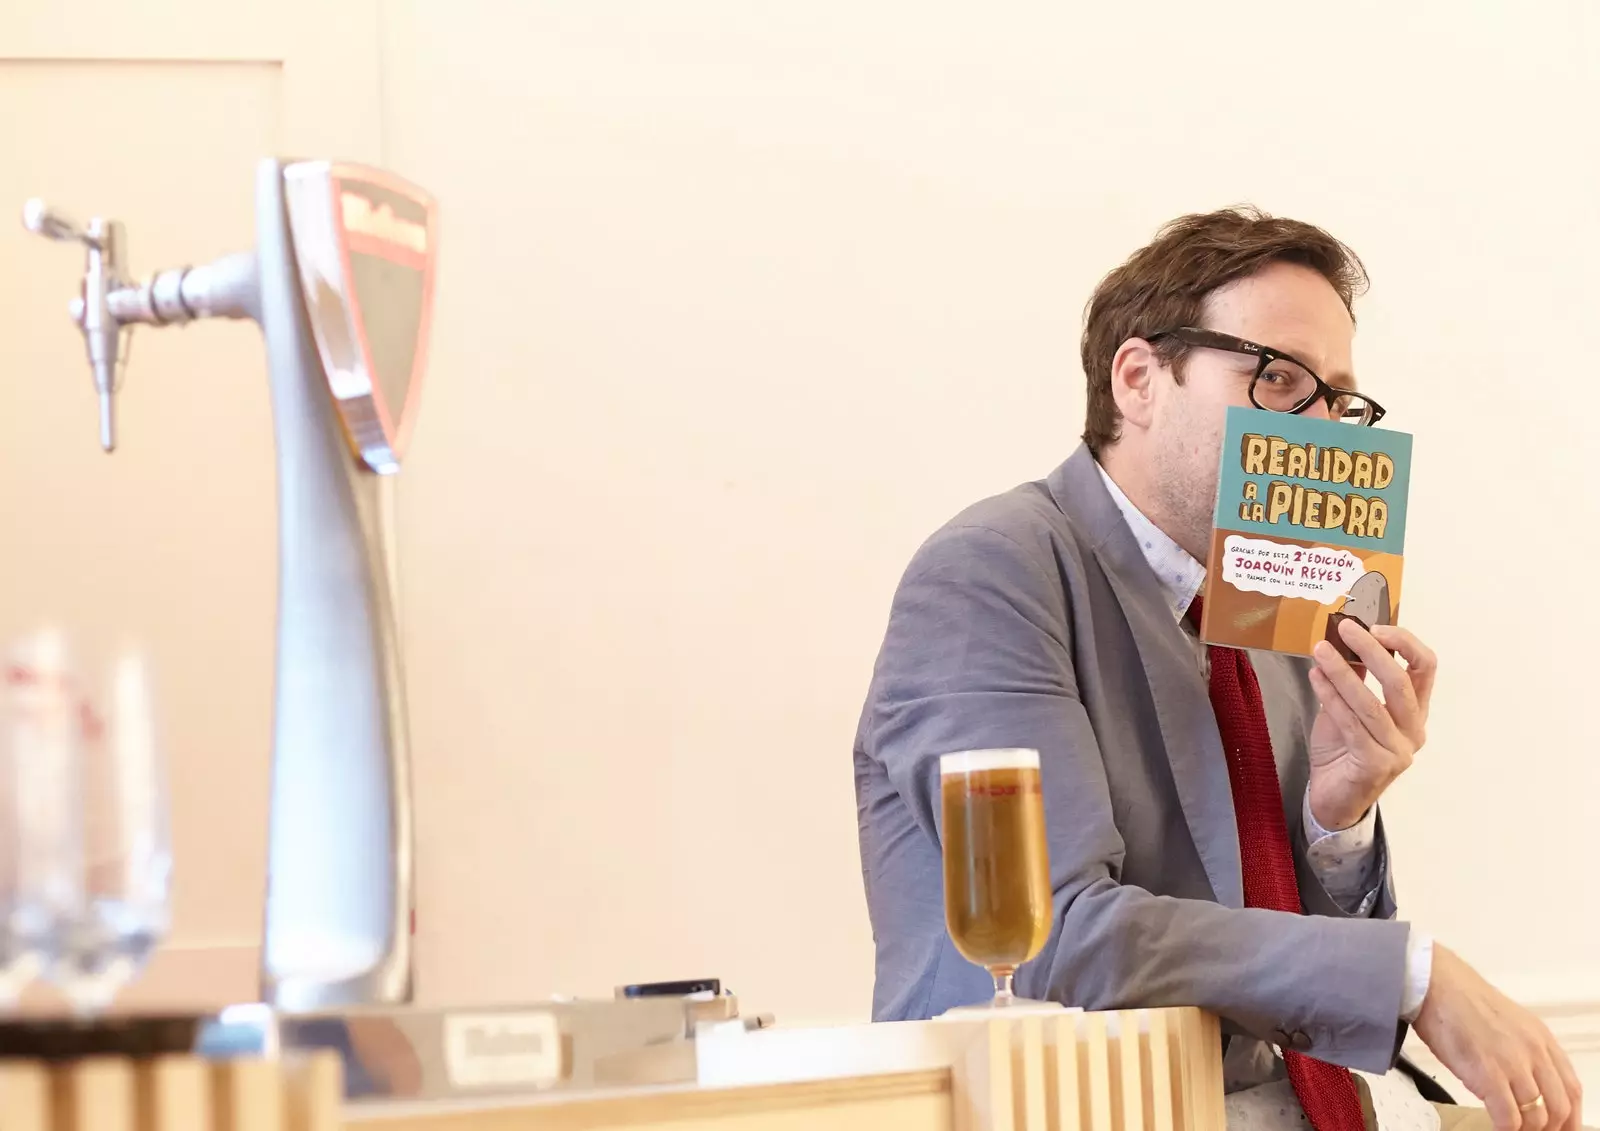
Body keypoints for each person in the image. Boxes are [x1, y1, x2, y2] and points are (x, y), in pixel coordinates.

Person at [852, 208, 1584, 1131]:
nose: (1324, 429)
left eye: (1341, 400)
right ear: (1140, 379)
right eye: (1280, 378)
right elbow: (1054, 940)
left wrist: (1337, 817)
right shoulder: (994, 567)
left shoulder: (1274, 606)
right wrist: (1414, 972)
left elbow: (1304, 976)